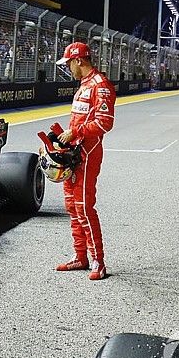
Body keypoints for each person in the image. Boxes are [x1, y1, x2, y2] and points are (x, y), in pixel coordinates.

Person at [55, 42, 116, 280]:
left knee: (83, 207)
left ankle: (97, 261)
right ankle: (80, 257)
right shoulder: (83, 85)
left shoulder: (100, 86)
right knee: (72, 206)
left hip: (88, 153)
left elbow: (105, 123)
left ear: (78, 61)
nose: (68, 68)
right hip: (74, 153)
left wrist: (75, 132)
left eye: (69, 63)